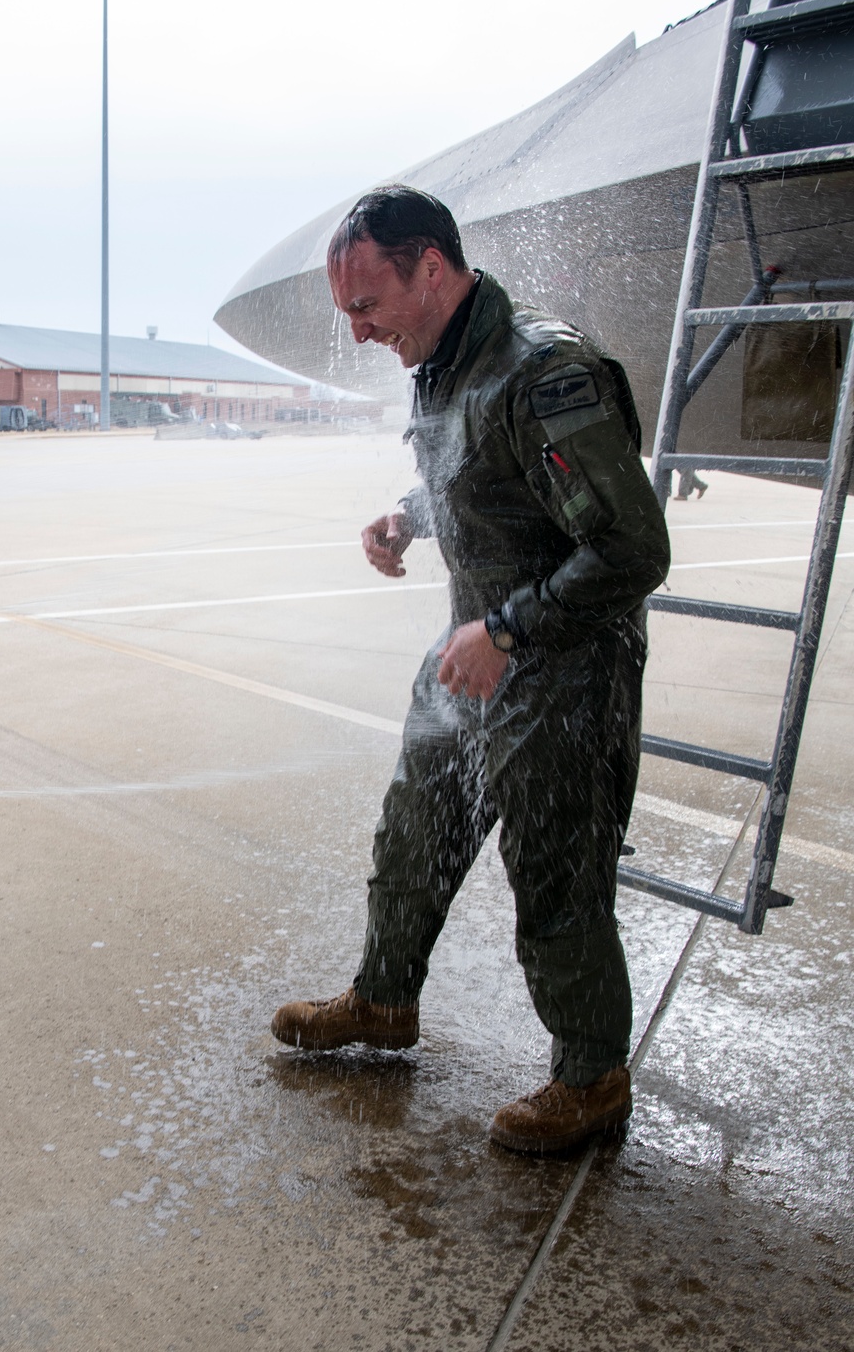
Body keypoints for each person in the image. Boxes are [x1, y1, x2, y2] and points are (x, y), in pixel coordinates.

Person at [271, 186, 671, 1154]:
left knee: (555, 877)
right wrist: (409, 514)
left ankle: (591, 1080)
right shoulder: (442, 359)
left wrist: (507, 627)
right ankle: (381, 1001)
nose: (360, 332)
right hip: (473, 652)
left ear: (431, 269)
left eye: (368, 307)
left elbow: (629, 550)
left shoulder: (545, 369)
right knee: (414, 830)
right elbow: (476, 466)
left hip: (561, 667)